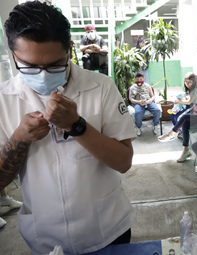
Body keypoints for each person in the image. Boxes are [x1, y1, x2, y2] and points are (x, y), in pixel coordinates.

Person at [1, 1, 135, 254]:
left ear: (70, 50)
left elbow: (124, 162)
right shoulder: (3, 99)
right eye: (29, 66)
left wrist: (77, 126)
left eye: (54, 65)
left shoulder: (101, 87)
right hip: (44, 235)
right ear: (13, 54)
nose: (42, 75)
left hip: (107, 230)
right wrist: (20, 137)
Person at [158, 72, 197, 162]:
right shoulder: (192, 89)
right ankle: (185, 151)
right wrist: (181, 100)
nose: (187, 84)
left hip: (195, 112)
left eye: (189, 82)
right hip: (192, 110)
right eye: (186, 82)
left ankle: (171, 133)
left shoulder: (195, 89)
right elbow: (189, 100)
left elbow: (189, 102)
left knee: (184, 117)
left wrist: (181, 101)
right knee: (184, 124)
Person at [129, 72, 160, 136]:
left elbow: (153, 96)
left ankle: (155, 124)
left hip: (148, 101)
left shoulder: (147, 86)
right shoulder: (132, 88)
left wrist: (150, 100)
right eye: (137, 80)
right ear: (134, 79)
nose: (139, 81)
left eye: (141, 79)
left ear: (144, 78)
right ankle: (138, 127)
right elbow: (131, 99)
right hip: (138, 102)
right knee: (138, 113)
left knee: (157, 110)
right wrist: (139, 102)